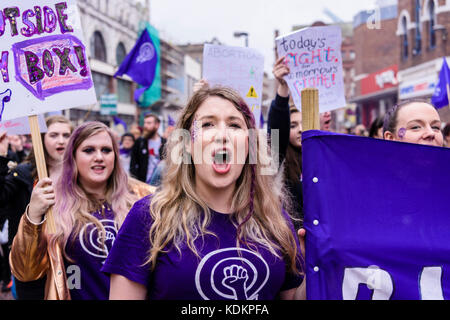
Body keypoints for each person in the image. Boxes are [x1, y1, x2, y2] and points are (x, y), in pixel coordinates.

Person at [102, 86, 305, 300]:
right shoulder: (149, 217)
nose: (222, 135)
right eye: (208, 124)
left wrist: (319, 264)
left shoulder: (274, 218)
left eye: (234, 125)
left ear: (250, 145)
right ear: (187, 143)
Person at [9, 121, 154, 300]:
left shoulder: (143, 199)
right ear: (73, 157)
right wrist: (33, 216)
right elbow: (25, 270)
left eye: (106, 150)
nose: (99, 157)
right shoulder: (53, 203)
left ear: (115, 157)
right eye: (89, 150)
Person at [0, 115, 72, 299]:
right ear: (41, 138)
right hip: (32, 261)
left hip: (69, 262)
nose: (61, 140)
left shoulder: (78, 174)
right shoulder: (23, 173)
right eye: (54, 135)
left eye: (66, 135)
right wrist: (1, 155)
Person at [268, 56, 304, 229]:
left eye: (304, 124)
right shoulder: (278, 159)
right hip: (291, 237)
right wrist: (283, 88)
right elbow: (276, 131)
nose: (301, 129)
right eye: (293, 125)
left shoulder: (320, 157)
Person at [130, 114, 167, 183]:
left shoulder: (165, 142)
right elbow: (133, 164)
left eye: (149, 123)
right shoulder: (140, 142)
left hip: (159, 183)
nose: (145, 126)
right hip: (143, 183)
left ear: (157, 125)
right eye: (145, 123)